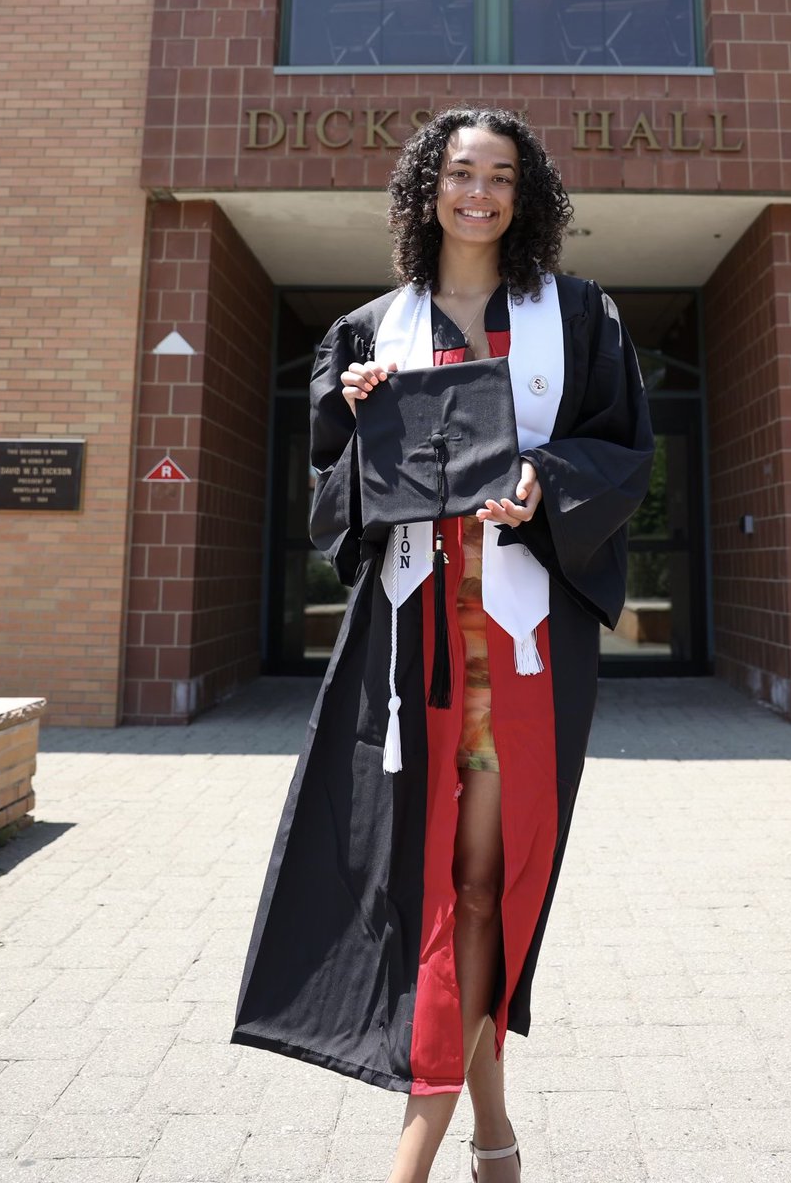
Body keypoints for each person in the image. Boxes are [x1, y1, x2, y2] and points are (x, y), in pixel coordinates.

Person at [231, 107, 653, 1183]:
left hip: (520, 646)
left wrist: (543, 483)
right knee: (451, 888)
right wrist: (359, 418)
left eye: (500, 176)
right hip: (410, 640)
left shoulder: (578, 316)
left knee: (483, 881)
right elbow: (332, 499)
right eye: (459, 173)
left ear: (526, 195)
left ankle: (414, 1152)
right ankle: (493, 1135)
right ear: (429, 188)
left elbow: (622, 455)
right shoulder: (372, 331)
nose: (478, 193)